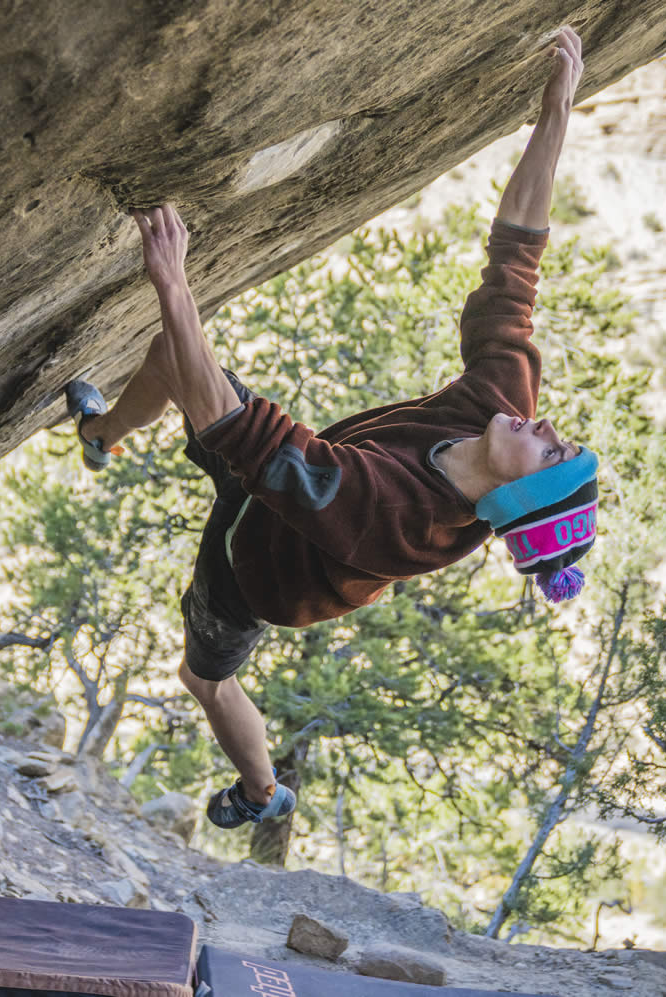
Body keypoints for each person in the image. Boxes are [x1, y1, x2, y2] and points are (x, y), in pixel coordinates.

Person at [64, 27, 596, 829]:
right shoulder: (502, 402)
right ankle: (102, 435)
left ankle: (260, 791)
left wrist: (173, 280)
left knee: (205, 678)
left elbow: (252, 438)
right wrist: (556, 115)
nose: (546, 421)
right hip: (279, 478)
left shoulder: (398, 521)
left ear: (520, 490)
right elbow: (515, 263)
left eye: (550, 447)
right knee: (170, 355)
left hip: (258, 573)